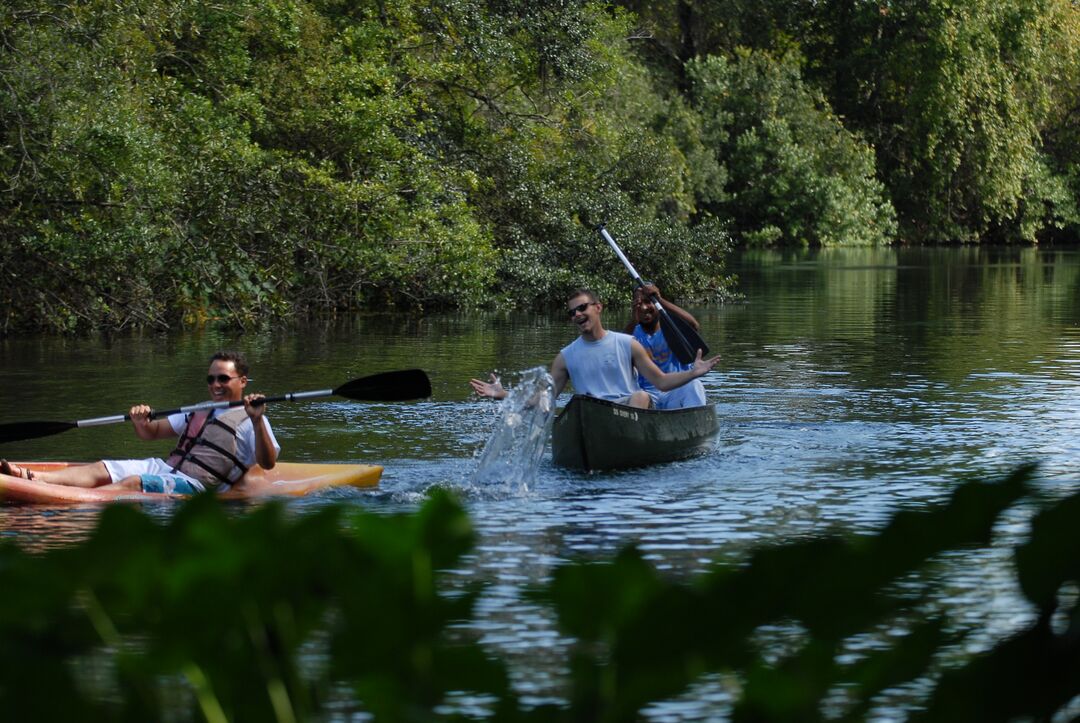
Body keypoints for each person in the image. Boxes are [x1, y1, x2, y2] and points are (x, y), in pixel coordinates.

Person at [0, 350, 280, 495]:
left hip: (197, 487)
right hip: (168, 468)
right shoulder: (200, 410)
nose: (215, 384)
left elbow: (267, 463)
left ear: (242, 382)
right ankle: (35, 479)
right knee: (104, 467)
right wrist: (140, 420)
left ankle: (78, 504)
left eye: (223, 379)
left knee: (134, 481)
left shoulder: (253, 419)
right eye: (211, 379)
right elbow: (151, 433)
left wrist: (257, 421)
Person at [470, 288, 718, 408]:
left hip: (633, 409)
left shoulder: (626, 343)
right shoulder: (565, 357)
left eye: (582, 308)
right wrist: (503, 394)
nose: (577, 314)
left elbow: (662, 381)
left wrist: (693, 373)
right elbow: (545, 399)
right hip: (594, 412)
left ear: (598, 308)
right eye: (572, 312)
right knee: (578, 405)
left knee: (647, 395)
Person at [625, 282, 707, 409]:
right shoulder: (631, 333)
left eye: (648, 302)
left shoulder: (671, 327)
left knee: (695, 384)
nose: (644, 308)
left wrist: (660, 300)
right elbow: (619, 350)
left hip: (676, 392)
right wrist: (633, 320)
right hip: (649, 397)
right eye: (639, 303)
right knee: (638, 396)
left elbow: (693, 325)